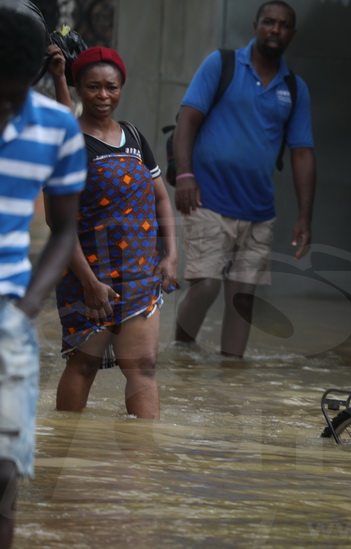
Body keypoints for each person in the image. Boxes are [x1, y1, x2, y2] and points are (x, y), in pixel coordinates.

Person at [172, 0, 316, 358]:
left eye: (283, 25)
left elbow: (302, 153)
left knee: (242, 299)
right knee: (205, 285)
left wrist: (304, 216)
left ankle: (230, 374)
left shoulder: (295, 89)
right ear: (256, 25)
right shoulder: (220, 64)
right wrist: (186, 175)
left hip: (258, 211)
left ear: (292, 35)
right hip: (207, 199)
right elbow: (186, 122)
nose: (275, 30)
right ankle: (181, 352)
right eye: (269, 22)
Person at [46, 46, 178, 420]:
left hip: (140, 274)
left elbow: (161, 200)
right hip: (88, 277)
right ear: (79, 89)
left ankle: (142, 461)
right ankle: (65, 448)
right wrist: (88, 282)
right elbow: (59, 224)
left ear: (122, 88)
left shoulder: (134, 136)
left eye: (111, 87)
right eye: (93, 87)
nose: (103, 95)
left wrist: (170, 255)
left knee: (143, 368)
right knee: (83, 366)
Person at [0, 7, 85, 547]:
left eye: (10, 97)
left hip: (9, 316)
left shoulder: (57, 128)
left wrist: (25, 309)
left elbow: (64, 230)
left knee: (5, 469)